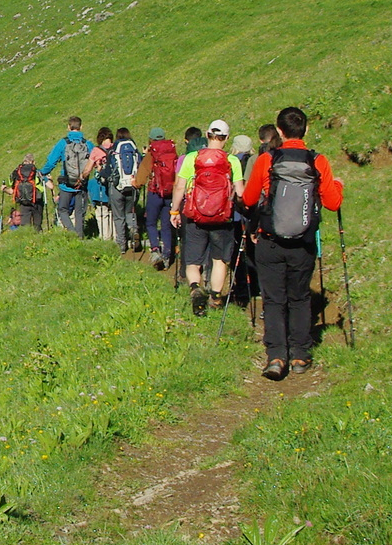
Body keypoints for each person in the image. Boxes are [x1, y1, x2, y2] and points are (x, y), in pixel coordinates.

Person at [240, 106, 343, 379]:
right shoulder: (318, 161)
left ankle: (276, 356)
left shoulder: (267, 160)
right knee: (299, 298)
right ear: (306, 130)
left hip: (270, 241)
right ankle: (300, 355)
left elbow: (249, 200)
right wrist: (339, 186)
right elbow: (333, 202)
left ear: (280, 132)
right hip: (303, 242)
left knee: (273, 300)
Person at [172, 120, 245, 316]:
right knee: (220, 260)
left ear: (207, 134)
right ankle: (215, 297)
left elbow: (180, 186)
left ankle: (196, 288)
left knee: (194, 262)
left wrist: (174, 211)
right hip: (223, 218)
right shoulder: (233, 161)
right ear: (226, 138)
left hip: (195, 217)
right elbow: (240, 193)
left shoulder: (192, 158)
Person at [40, 117, 94, 235]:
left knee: (62, 210)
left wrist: (42, 172)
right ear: (81, 127)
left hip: (66, 184)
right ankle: (80, 237)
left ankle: (71, 232)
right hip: (82, 184)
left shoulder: (63, 143)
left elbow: (51, 162)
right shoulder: (88, 144)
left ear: (68, 127)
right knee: (80, 213)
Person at [144, 127, 180, 272]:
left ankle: (155, 250)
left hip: (155, 192)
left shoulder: (151, 153)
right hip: (170, 193)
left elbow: (142, 175)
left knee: (151, 223)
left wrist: (136, 183)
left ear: (151, 139)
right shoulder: (172, 152)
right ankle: (167, 255)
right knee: (166, 226)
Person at [110, 126, 142, 254]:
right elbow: (141, 163)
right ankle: (134, 230)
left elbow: (110, 168)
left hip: (118, 187)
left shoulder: (115, 149)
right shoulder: (133, 148)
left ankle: (121, 245)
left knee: (119, 217)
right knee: (130, 212)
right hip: (132, 185)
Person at [88, 127, 115, 242]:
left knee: (101, 212)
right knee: (114, 212)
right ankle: (116, 237)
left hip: (100, 186)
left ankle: (105, 238)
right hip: (115, 186)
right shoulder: (116, 148)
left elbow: (89, 167)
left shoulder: (96, 150)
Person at [9, 154, 47, 233]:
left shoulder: (16, 171)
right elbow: (41, 187)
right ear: (33, 162)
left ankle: (26, 239)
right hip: (36, 201)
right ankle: (39, 238)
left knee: (25, 224)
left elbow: (11, 183)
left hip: (23, 201)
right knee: (37, 224)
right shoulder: (36, 171)